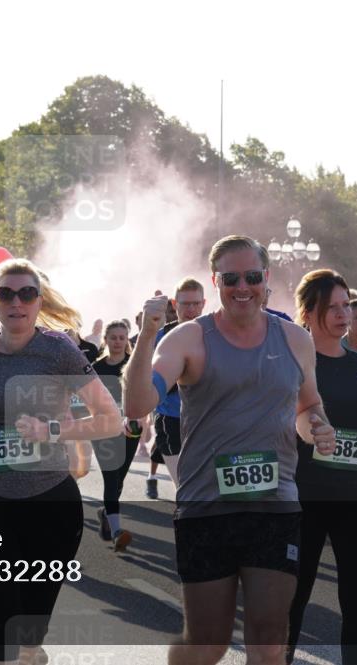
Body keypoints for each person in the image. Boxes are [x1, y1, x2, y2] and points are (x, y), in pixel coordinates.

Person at [123, 235, 337, 665]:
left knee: (270, 635)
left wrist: (318, 426)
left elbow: (307, 403)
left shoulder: (294, 339)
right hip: (207, 506)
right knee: (208, 642)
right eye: (232, 278)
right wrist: (146, 336)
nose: (243, 287)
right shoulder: (188, 339)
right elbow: (137, 404)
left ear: (266, 278)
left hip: (274, 505)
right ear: (216, 281)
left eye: (252, 277)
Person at [0, 258, 121, 664]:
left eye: (26, 294)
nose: (16, 302)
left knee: (27, 630)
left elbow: (110, 419)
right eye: (6, 293)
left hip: (49, 502)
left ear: (39, 301)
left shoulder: (58, 350)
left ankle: (31, 651)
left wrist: (52, 432)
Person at [286, 270, 357, 665]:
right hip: (302, 498)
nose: (344, 314)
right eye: (333, 308)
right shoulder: (292, 365)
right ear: (308, 313)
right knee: (292, 599)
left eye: (347, 305)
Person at [147, 277, 206, 492]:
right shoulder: (160, 337)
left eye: (195, 304)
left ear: (204, 303)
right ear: (174, 304)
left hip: (206, 419)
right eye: (185, 304)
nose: (191, 310)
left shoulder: (216, 335)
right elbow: (142, 378)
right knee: (184, 488)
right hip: (170, 418)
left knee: (207, 488)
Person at [91, 320, 141, 552]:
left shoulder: (134, 365)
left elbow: (144, 396)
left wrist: (142, 419)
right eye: (114, 337)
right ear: (106, 340)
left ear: (127, 340)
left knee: (118, 479)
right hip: (103, 429)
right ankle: (117, 531)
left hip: (131, 429)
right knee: (111, 478)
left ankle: (106, 513)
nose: (118, 342)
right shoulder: (96, 368)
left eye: (122, 337)